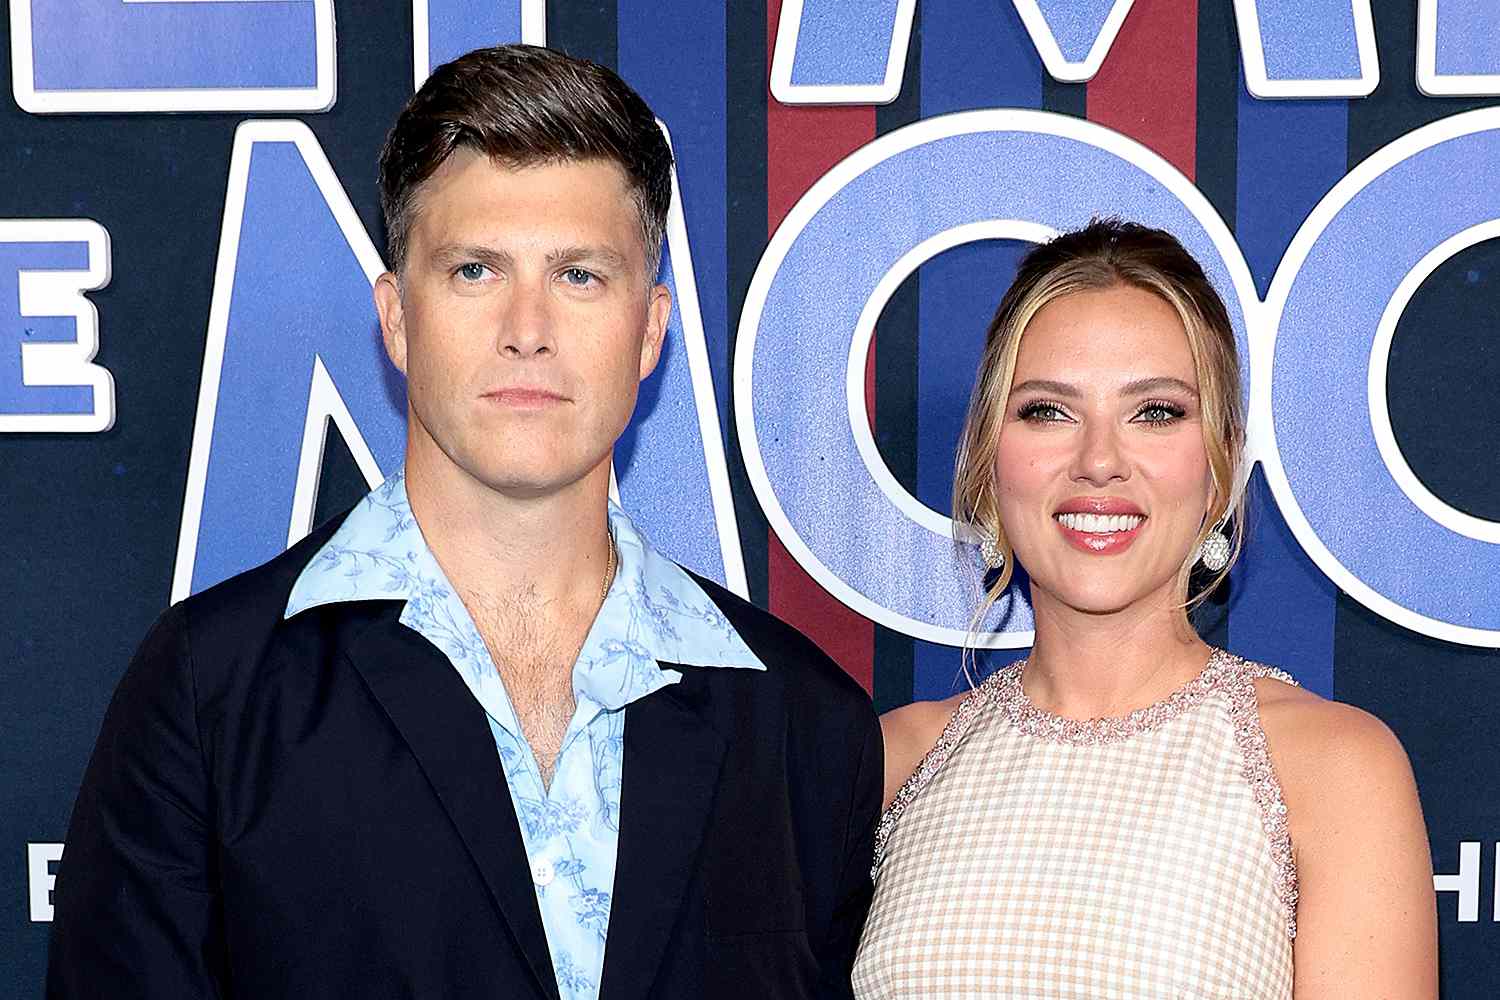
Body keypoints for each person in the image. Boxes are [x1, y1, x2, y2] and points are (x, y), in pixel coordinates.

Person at [47, 45, 880, 1000]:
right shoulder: (210, 693)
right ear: (397, 320)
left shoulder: (803, 726)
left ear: (650, 331)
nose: (527, 327)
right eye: (476, 269)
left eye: (580, 275)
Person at [852, 220, 1436, 999]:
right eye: (1047, 412)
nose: (1099, 460)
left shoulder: (1334, 768)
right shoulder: (891, 761)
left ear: (1222, 468)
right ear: (990, 466)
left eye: (1155, 411)